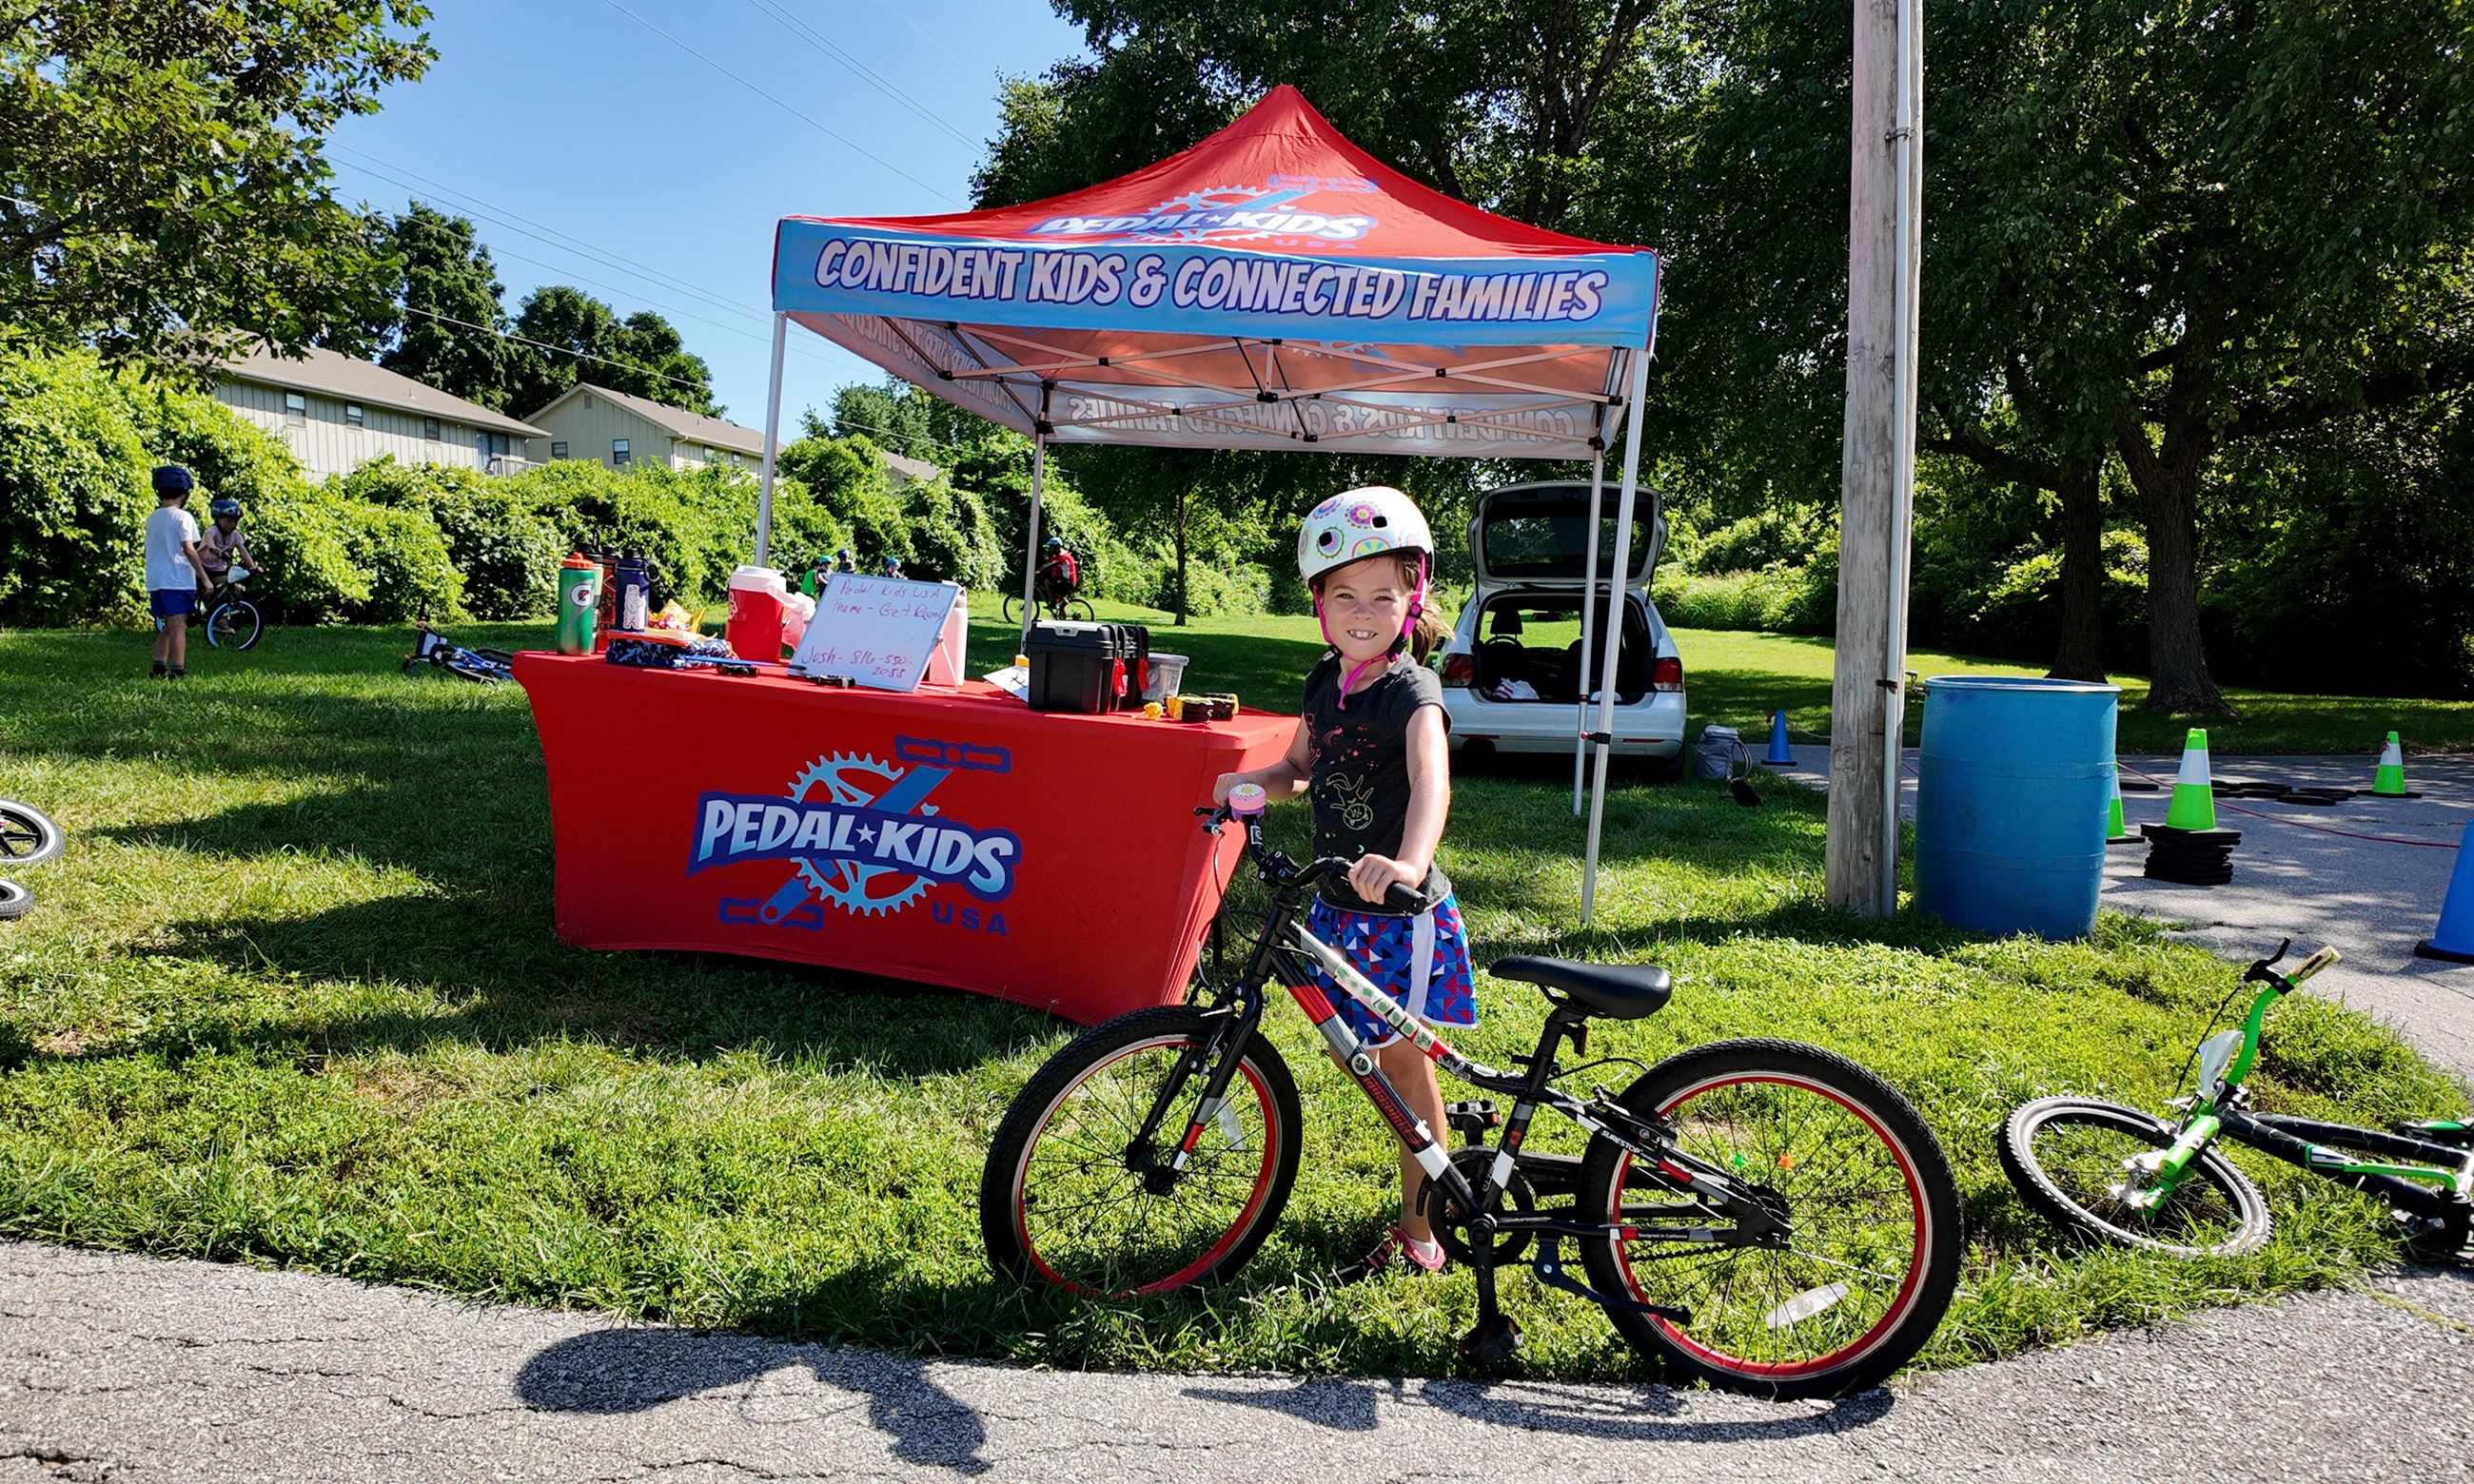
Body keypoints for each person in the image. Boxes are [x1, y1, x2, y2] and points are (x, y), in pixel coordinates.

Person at [1211, 485, 1467, 1284]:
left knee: (1401, 1069)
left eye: (1383, 597)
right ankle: (1426, 1165)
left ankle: (1422, 1226)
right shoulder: (1326, 681)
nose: (1364, 613)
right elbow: (1298, 768)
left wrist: (1411, 863)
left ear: (1412, 599)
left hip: (1399, 916)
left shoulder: (1412, 694)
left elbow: (1433, 786)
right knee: (1367, 1058)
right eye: (1345, 596)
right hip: (1336, 909)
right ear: (1320, 603)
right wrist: (1243, 788)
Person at [144, 464, 205, 679]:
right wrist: (204, 578)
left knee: (167, 626)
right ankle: (178, 669)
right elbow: (189, 549)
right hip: (177, 579)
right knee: (179, 625)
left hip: (156, 580)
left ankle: (158, 666)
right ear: (184, 493)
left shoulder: (153, 518)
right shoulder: (183, 517)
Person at [196, 497, 253, 596]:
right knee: (200, 589)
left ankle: (223, 609)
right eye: (229, 521)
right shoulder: (213, 530)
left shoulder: (235, 535)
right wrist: (213, 547)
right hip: (201, 567)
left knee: (232, 587)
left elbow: (243, 551)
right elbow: (208, 537)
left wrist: (253, 567)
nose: (233, 525)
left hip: (217, 570)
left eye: (236, 521)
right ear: (219, 519)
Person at [1038, 536, 1080, 606]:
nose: (1050, 549)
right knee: (1060, 603)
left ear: (1057, 547)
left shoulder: (1063, 556)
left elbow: (1050, 566)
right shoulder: (1056, 556)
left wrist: (1039, 572)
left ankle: (1052, 601)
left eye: (1052, 547)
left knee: (1047, 581)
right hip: (1063, 580)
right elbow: (1047, 564)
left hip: (1068, 582)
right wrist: (1038, 570)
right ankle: (1061, 613)